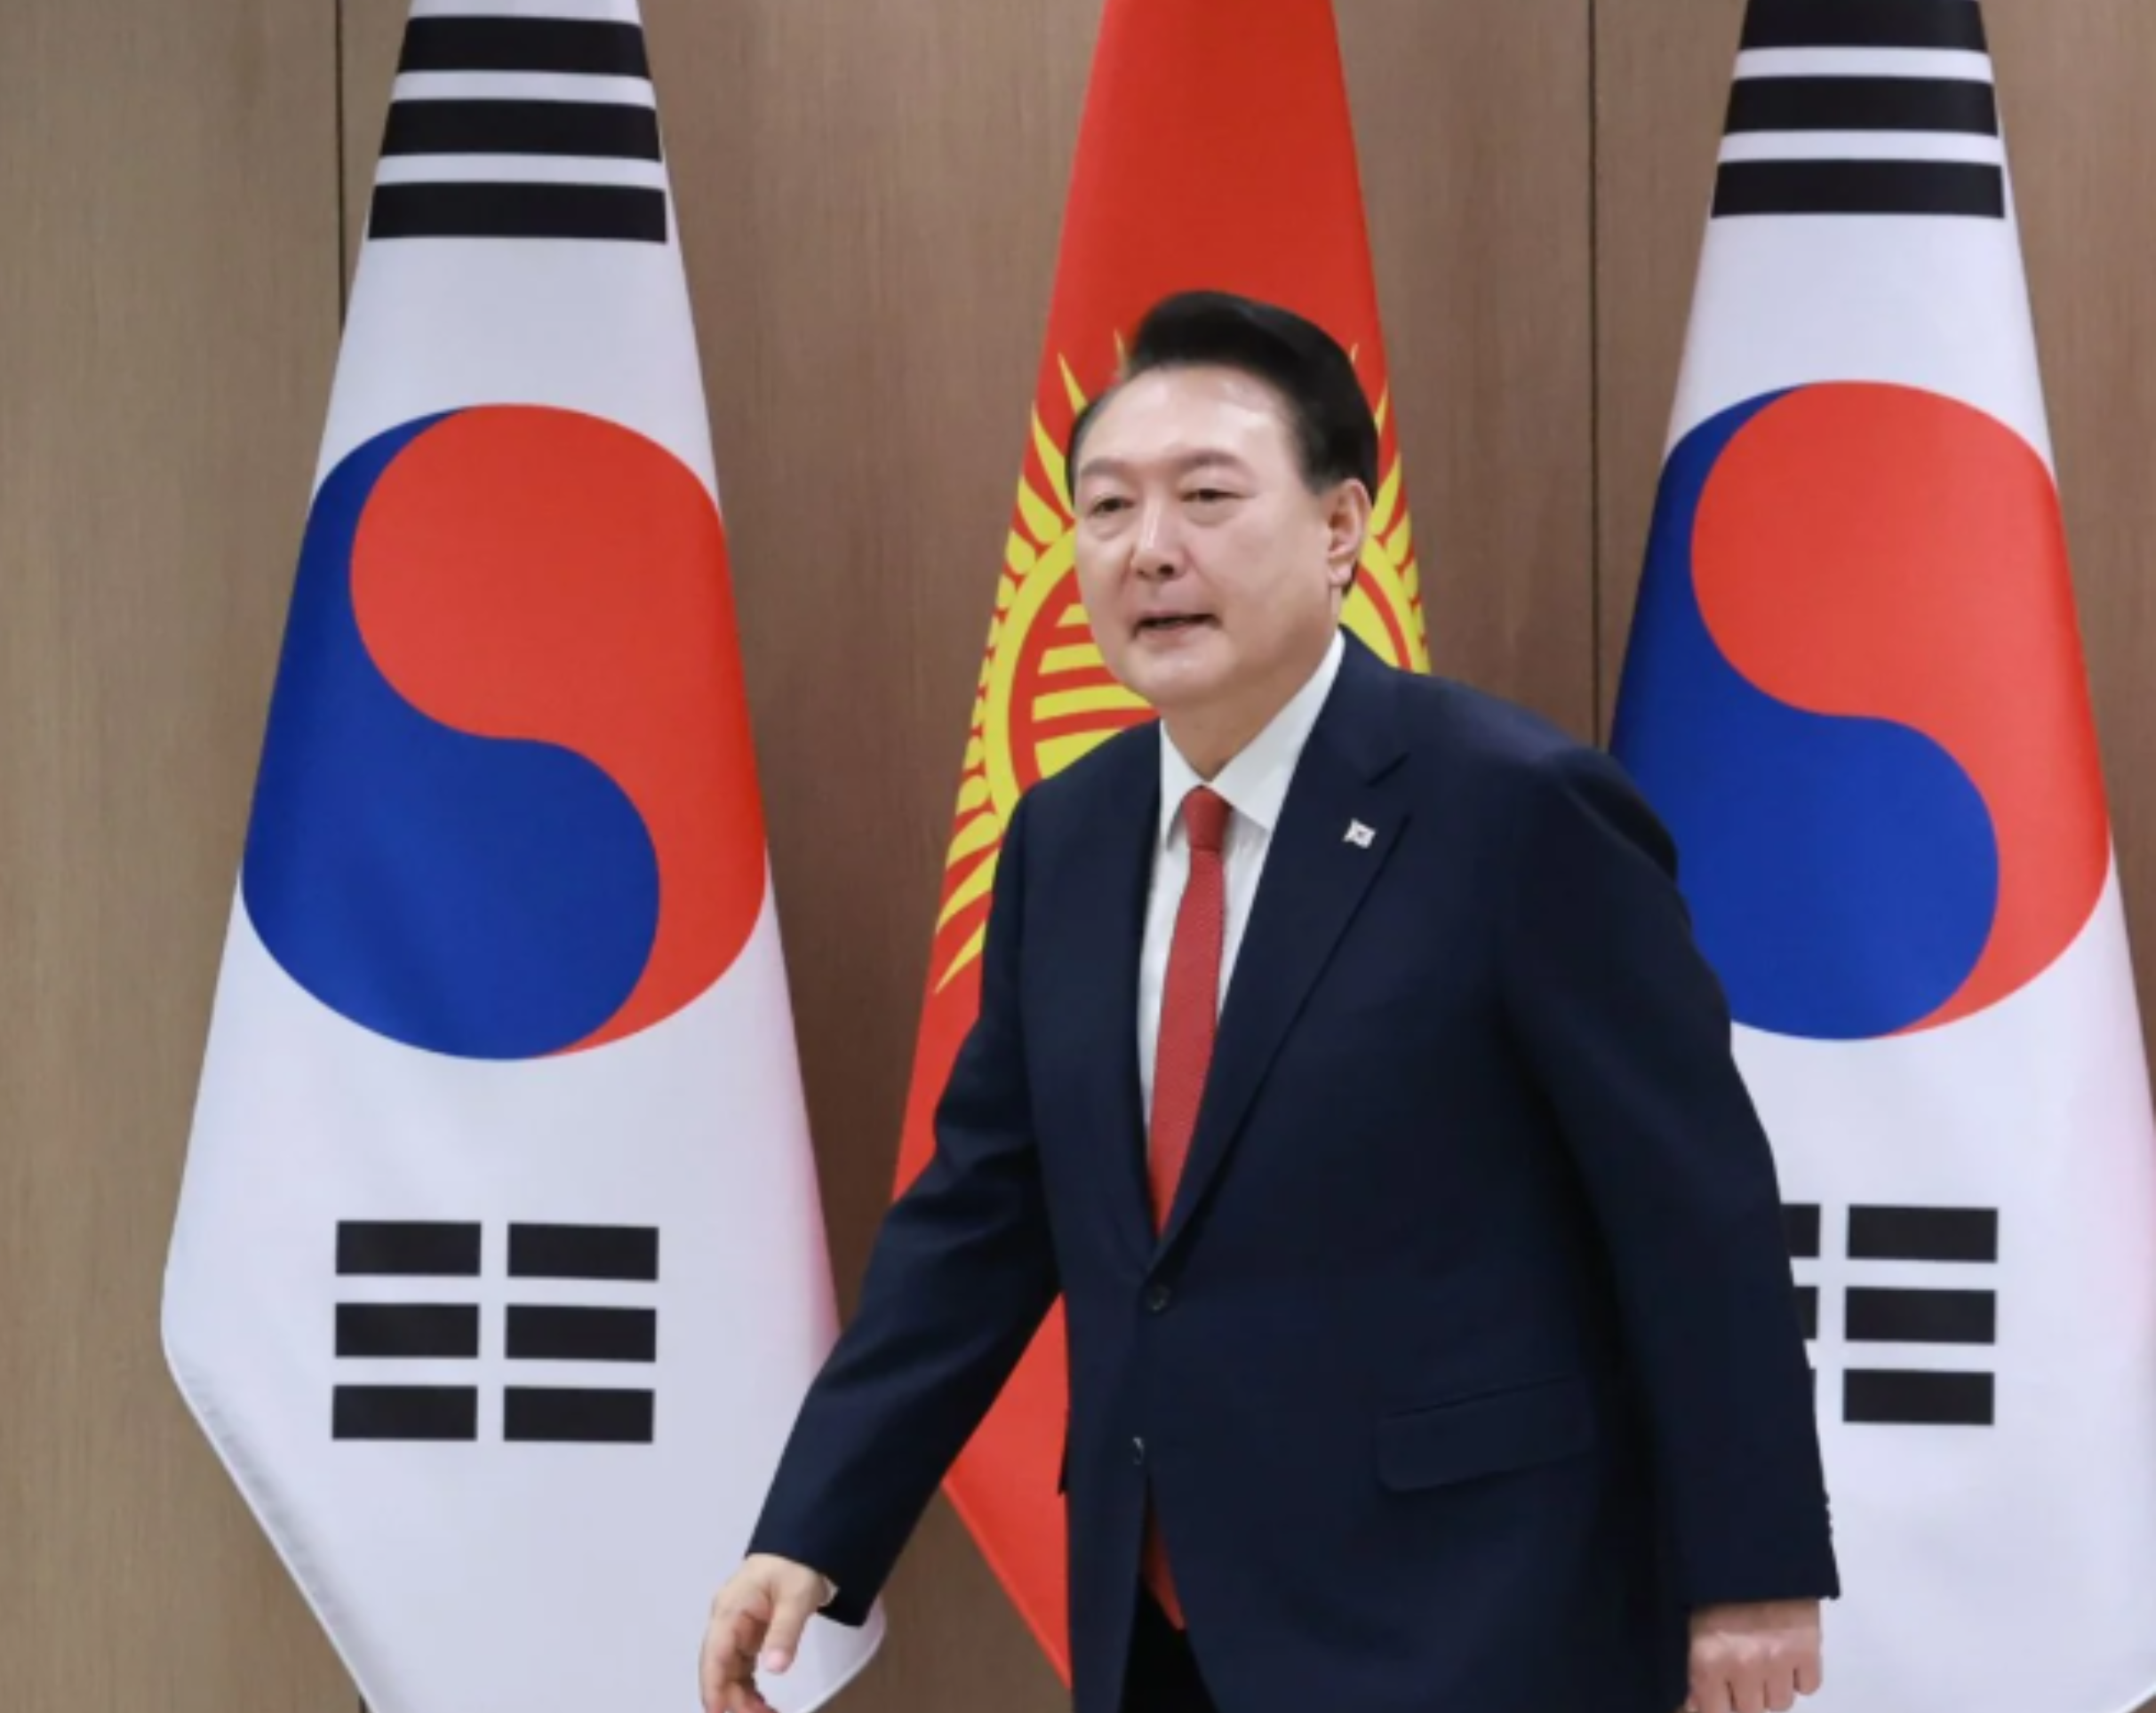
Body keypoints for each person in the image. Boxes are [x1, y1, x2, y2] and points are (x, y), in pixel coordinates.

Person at [698, 291, 1838, 1713]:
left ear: (1343, 525)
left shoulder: (1516, 812)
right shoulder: (1067, 835)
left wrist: (1749, 1568)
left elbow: (1692, 1205)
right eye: (1107, 507)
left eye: (1209, 496)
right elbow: (986, 1215)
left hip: (1473, 1609)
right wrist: (814, 1524)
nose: (1150, 549)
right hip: (1160, 1607)